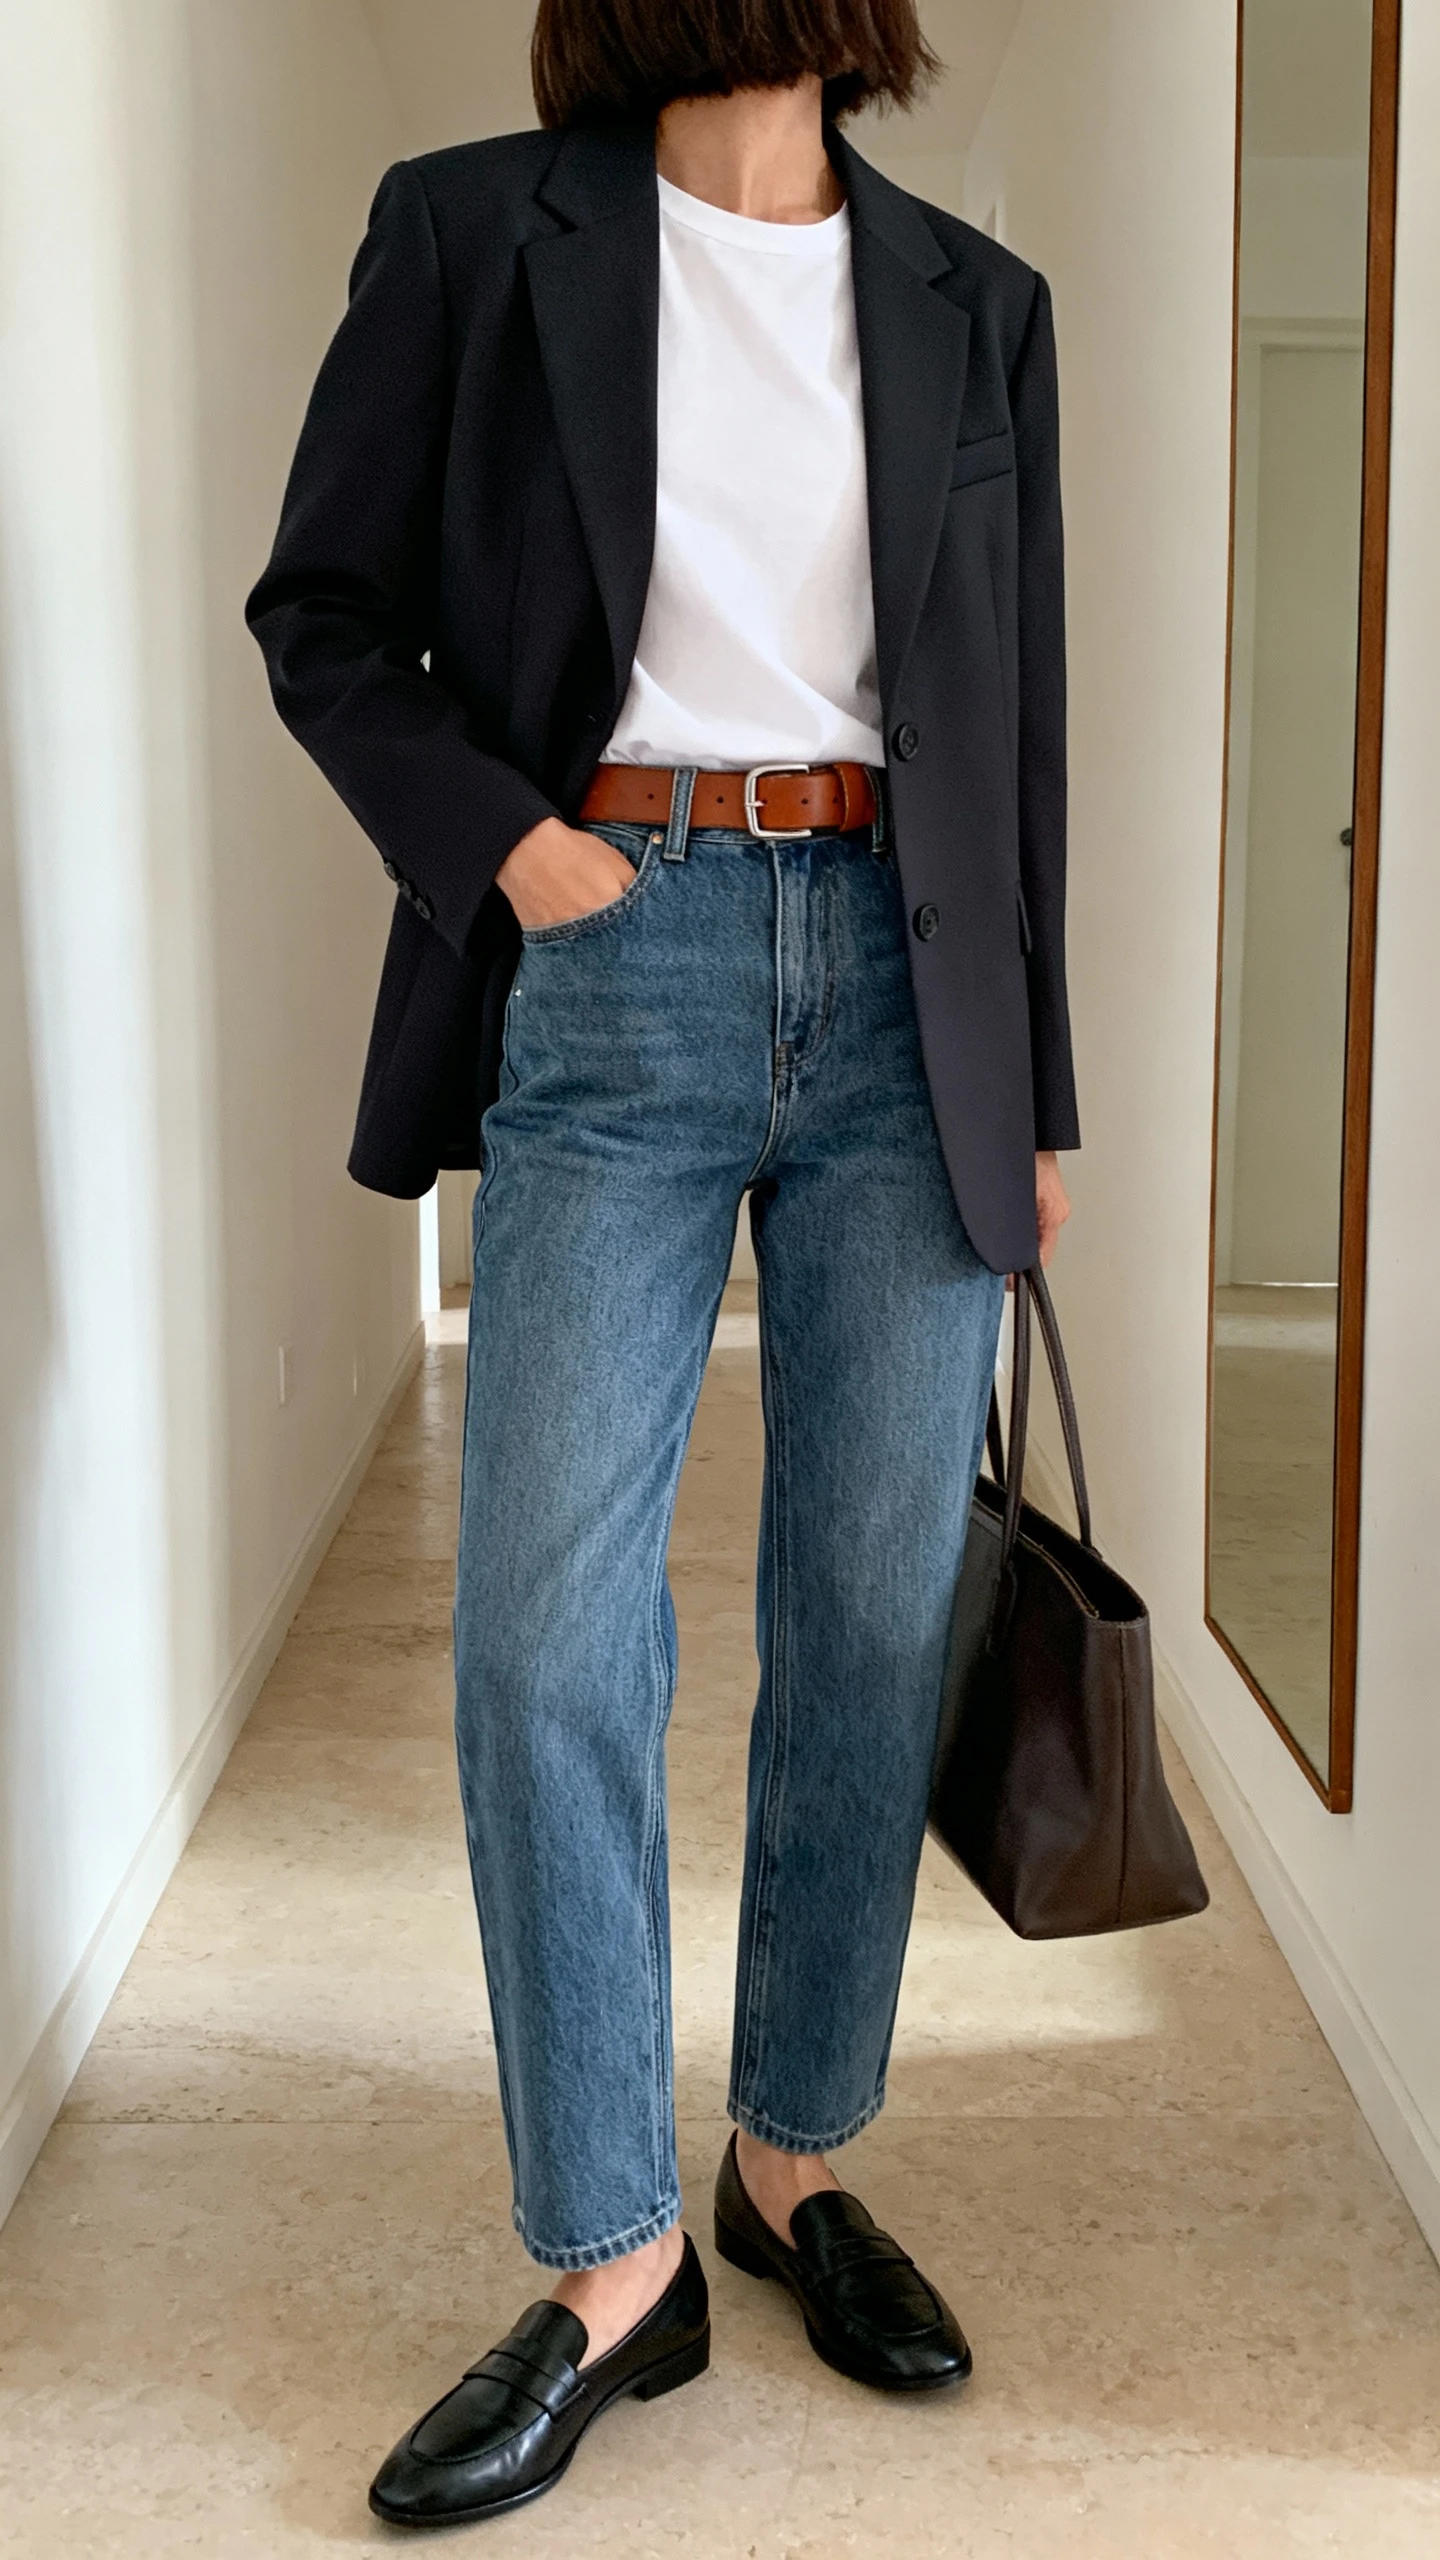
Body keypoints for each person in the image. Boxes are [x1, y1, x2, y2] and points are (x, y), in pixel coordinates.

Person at [247, 0, 1076, 2527]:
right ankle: (614, 2252)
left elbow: (1014, 716)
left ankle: (791, 2157)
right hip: (619, 948)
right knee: (541, 1623)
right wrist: (518, 856)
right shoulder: (480, 230)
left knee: (863, 1602)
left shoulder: (974, 296)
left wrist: (1031, 1090)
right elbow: (325, 612)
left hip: (906, 984)